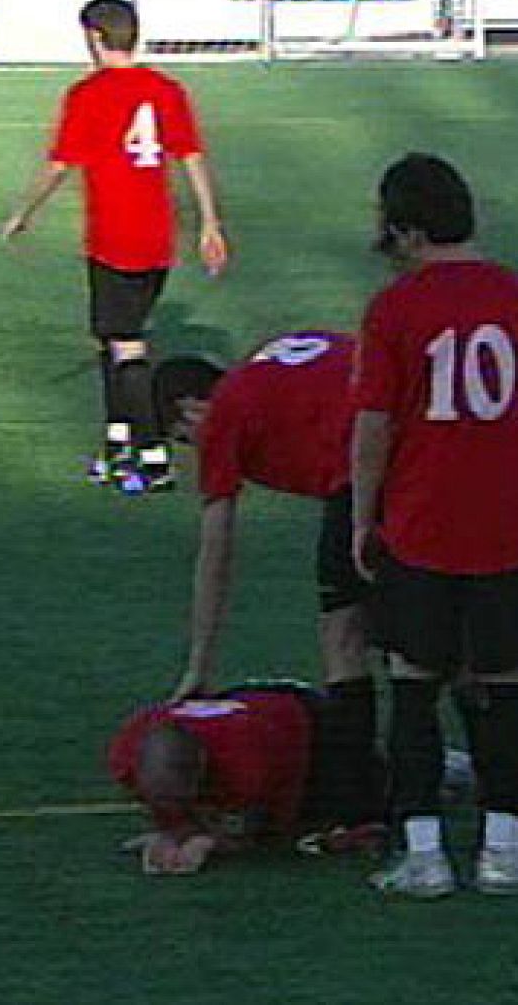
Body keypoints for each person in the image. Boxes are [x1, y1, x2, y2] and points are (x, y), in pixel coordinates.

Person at [351, 152, 518, 897]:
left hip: (420, 524)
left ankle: (425, 854)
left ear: (406, 230)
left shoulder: (395, 307)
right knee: (506, 687)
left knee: (413, 686)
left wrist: (360, 513)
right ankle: (504, 851)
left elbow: (373, 424)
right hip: (504, 525)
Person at [150, 330, 380, 830]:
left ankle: (361, 801)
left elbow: (217, 550)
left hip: (368, 467)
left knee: (343, 636)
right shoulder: (282, 354)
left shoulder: (224, 415)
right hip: (434, 441)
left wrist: (199, 664)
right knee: (429, 632)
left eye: (183, 438)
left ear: (189, 407)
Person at [1, 0, 228, 491]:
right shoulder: (166, 90)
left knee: (126, 345)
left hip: (113, 239)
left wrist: (23, 212)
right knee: (112, 336)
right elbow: (190, 156)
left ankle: (152, 457)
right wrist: (210, 223)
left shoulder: (88, 94)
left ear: (95, 39)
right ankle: (117, 443)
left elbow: (60, 165)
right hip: (157, 240)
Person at [107, 682, 387, 875]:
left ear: (203, 767)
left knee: (371, 803)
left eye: (179, 800)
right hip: (245, 706)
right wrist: (170, 830)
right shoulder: (124, 754)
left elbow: (260, 831)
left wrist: (209, 842)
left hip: (308, 726)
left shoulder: (248, 766)